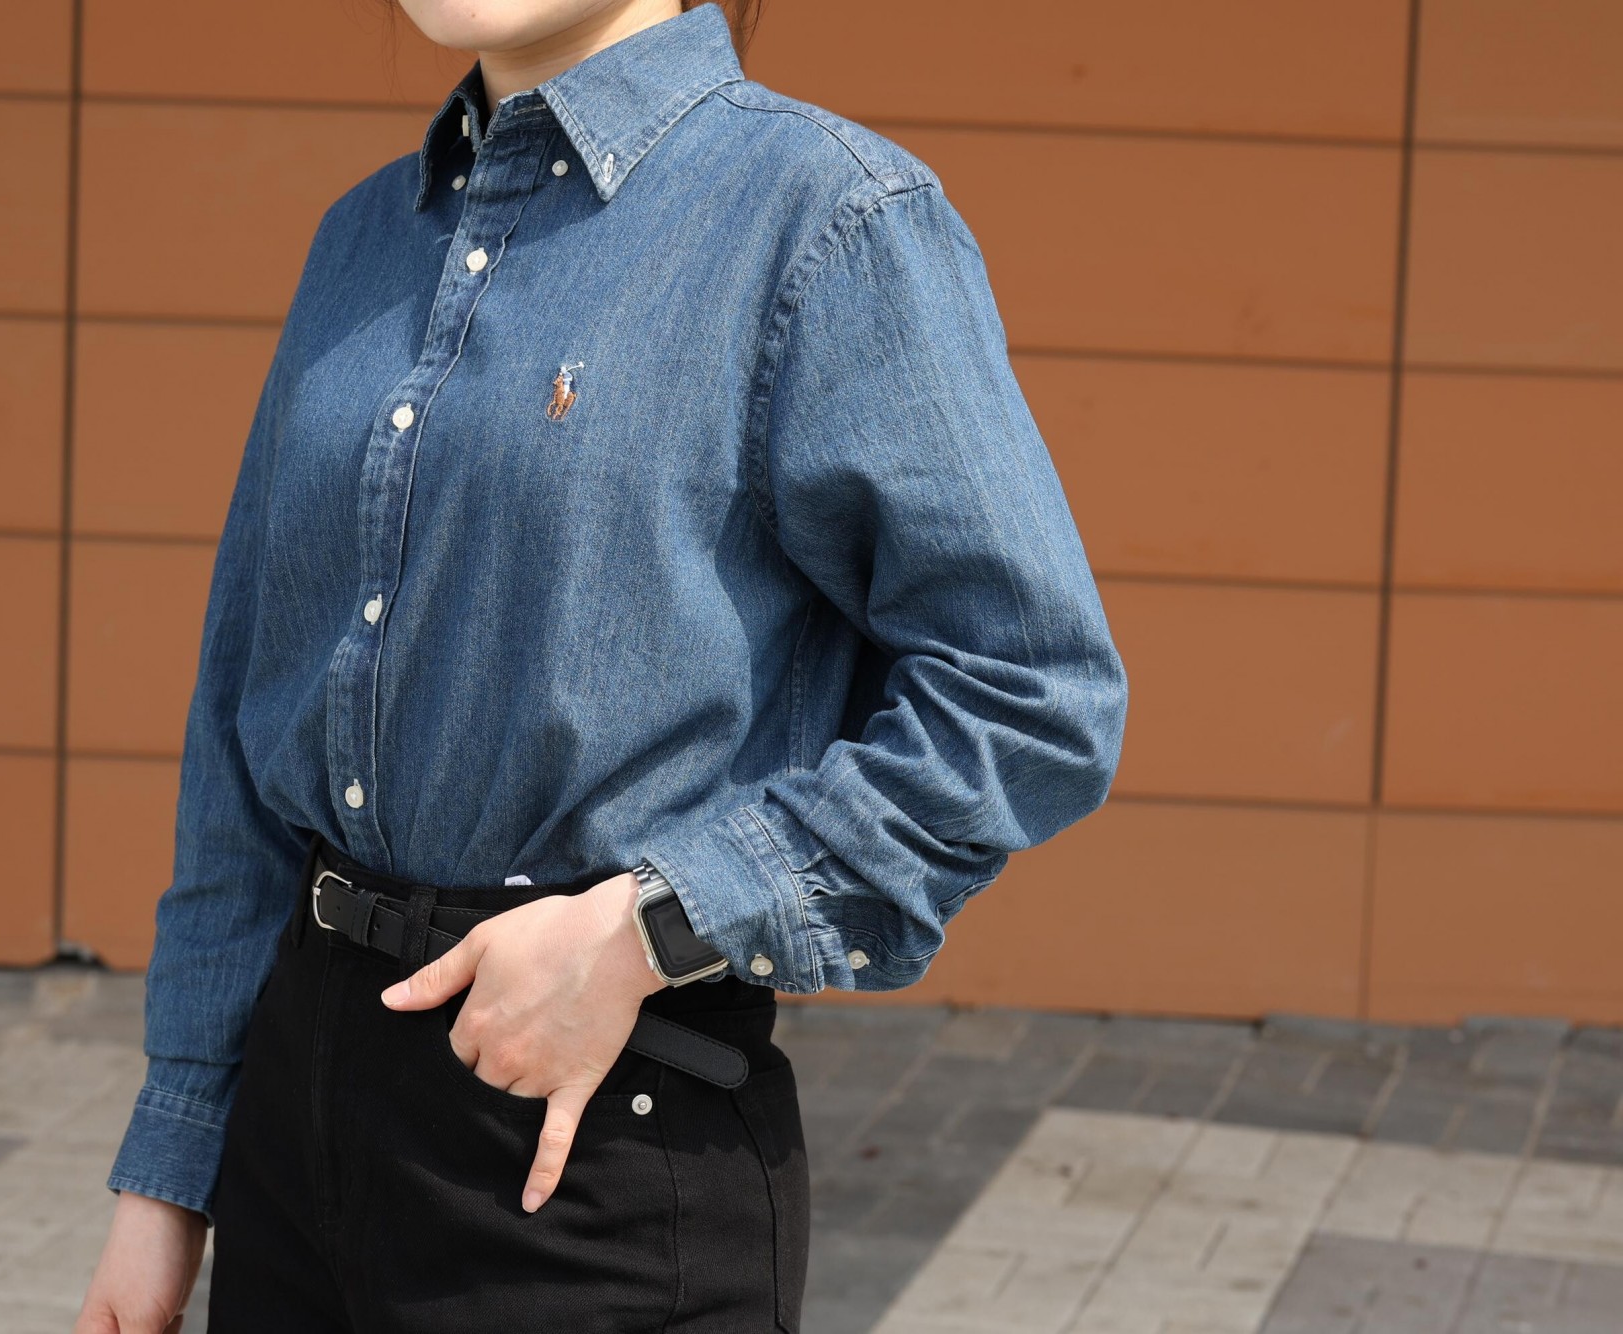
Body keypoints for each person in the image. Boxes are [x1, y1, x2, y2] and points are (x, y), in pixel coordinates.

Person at [75, 0, 1128, 1329]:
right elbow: (246, 713)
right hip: (297, 1122)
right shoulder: (362, 239)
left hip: (593, 1140)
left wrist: (653, 924)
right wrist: (174, 1163)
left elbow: (1031, 693)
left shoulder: (826, 218)